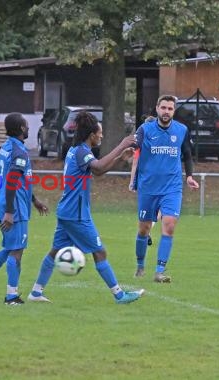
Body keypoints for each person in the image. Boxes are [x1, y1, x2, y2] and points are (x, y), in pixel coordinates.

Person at [28, 111, 144, 304]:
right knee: (100, 252)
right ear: (92, 135)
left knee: (56, 250)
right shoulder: (82, 151)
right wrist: (122, 144)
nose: (102, 135)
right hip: (76, 214)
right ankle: (119, 295)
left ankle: (36, 292)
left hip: (68, 211)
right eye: (100, 133)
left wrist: (119, 159)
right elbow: (97, 168)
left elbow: (97, 171)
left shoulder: (78, 150)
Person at [0, 112, 48, 305]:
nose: (28, 128)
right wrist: (11, 212)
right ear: (21, 128)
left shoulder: (7, 147)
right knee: (17, 251)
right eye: (27, 125)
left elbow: (19, 180)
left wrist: (34, 200)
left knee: (8, 248)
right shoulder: (19, 152)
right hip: (14, 208)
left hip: (5, 203)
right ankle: (11, 296)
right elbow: (13, 181)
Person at [131, 95, 199, 282]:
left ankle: (159, 272)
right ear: (157, 108)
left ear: (173, 111)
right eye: (164, 108)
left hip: (172, 187)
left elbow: (187, 154)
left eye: (170, 108)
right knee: (144, 229)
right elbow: (134, 149)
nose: (166, 111)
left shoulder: (182, 130)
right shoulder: (145, 129)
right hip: (148, 187)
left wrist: (190, 176)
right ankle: (140, 265)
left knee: (168, 226)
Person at [128, 115, 158, 247]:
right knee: (159, 209)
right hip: (156, 180)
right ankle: (149, 229)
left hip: (144, 180)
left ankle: (147, 229)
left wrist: (132, 181)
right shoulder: (159, 142)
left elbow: (135, 163)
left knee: (147, 209)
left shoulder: (142, 143)